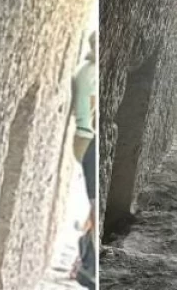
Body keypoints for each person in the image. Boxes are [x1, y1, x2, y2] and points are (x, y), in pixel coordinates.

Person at [71, 33, 98, 288]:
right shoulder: (91, 74)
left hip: (84, 138)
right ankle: (88, 265)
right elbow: (92, 108)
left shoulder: (85, 70)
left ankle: (84, 261)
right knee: (94, 204)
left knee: (93, 204)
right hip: (88, 139)